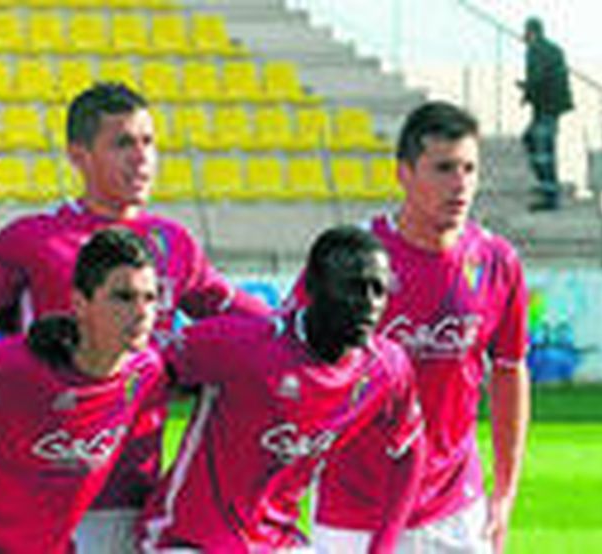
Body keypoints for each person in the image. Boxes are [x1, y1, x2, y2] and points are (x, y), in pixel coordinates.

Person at [0, 81, 269, 551]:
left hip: (135, 496)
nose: (141, 157)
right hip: (40, 497)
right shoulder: (32, 240)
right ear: (79, 155)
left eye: (148, 142)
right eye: (123, 143)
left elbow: (256, 321)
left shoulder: (174, 242)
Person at [311, 101, 530, 553]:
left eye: (469, 169)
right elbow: (297, 360)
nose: (460, 184)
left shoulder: (497, 261)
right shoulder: (351, 258)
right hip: (355, 508)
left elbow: (509, 370)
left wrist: (505, 491)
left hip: (456, 509)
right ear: (404, 174)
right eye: (444, 168)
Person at [149, 226, 426, 553]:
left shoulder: (386, 368)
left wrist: (383, 547)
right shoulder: (242, 343)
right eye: (353, 287)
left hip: (277, 542)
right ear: (313, 286)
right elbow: (140, 374)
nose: (368, 304)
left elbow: (409, 451)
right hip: (190, 541)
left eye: (378, 290)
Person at [0, 228, 167, 554]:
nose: (141, 312)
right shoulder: (12, 366)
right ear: (80, 303)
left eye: (150, 298)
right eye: (123, 297)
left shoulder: (147, 372)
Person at [519, 17, 572, 211]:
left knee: (542, 149)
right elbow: (549, 76)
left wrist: (526, 90)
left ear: (531, 32)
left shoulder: (535, 50)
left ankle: (550, 194)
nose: (524, 37)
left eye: (526, 32)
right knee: (534, 142)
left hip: (545, 107)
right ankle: (546, 186)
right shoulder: (553, 49)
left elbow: (538, 76)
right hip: (551, 106)